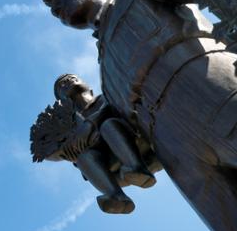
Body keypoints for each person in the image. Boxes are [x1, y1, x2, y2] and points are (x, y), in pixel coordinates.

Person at [41, 0, 237, 231]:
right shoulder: (106, 78)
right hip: (182, 157)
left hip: (212, 90)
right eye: (52, 11)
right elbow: (131, 146)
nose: (56, 10)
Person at [31, 74, 156, 214]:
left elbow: (112, 106)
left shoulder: (105, 97)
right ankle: (116, 196)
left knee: (108, 125)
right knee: (84, 157)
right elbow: (56, 153)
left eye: (71, 78)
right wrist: (71, 154)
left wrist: (91, 123)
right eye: (61, 86)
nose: (66, 83)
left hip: (130, 142)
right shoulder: (72, 126)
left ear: (88, 86)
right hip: (112, 169)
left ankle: (136, 168)